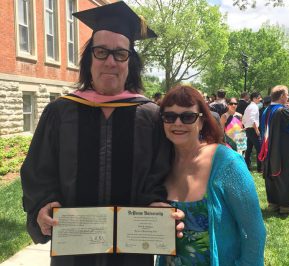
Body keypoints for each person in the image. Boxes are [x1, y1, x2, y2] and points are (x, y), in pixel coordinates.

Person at [20, 2, 183, 266]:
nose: (110, 61)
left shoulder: (150, 116)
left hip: (132, 253)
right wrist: (44, 205)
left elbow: (161, 174)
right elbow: (39, 172)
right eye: (101, 52)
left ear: (131, 62)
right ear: (89, 59)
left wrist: (158, 205)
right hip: (72, 251)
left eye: (120, 54)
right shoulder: (60, 112)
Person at [156, 85, 266, 265]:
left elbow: (254, 231)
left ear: (201, 122)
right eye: (169, 116)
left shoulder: (227, 163)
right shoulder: (161, 164)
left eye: (188, 117)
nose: (177, 123)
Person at [259, 85, 289, 214]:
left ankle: (273, 204)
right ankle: (286, 206)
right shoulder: (282, 111)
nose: (288, 97)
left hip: (269, 149)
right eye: (287, 95)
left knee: (272, 175)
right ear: (282, 96)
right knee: (285, 174)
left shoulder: (266, 110)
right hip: (283, 149)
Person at [242, 91, 262, 172]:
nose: (260, 100)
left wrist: (245, 126)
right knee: (259, 149)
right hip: (253, 129)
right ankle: (260, 168)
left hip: (248, 129)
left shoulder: (248, 106)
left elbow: (243, 119)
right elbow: (253, 119)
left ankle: (247, 166)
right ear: (254, 98)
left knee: (249, 149)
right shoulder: (254, 107)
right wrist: (257, 130)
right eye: (258, 98)